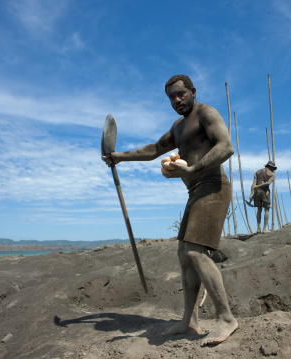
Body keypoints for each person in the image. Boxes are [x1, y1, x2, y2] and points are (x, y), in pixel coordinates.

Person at [102, 75, 238, 346]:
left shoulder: (206, 113)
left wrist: (194, 168)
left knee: (196, 252)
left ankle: (226, 318)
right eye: (171, 97)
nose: (176, 100)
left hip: (213, 186)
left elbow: (226, 147)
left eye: (181, 94)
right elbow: (154, 149)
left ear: (192, 91)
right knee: (184, 255)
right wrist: (119, 157)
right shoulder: (178, 126)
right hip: (194, 192)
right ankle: (190, 321)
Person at [249, 160, 277, 233]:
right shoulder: (271, 174)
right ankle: (264, 229)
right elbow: (268, 183)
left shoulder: (257, 172)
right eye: (273, 168)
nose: (273, 170)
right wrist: (258, 186)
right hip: (265, 192)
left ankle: (258, 229)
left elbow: (253, 184)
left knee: (259, 209)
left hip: (257, 192)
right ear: (271, 167)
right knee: (267, 209)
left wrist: (251, 193)